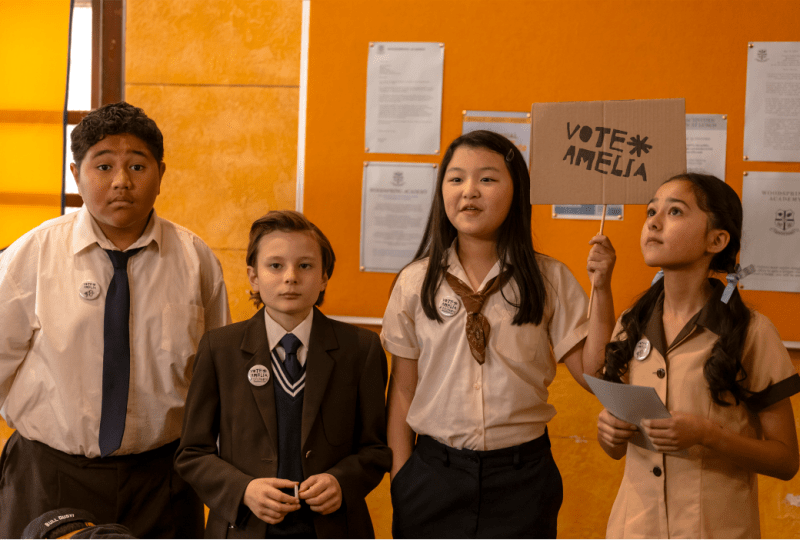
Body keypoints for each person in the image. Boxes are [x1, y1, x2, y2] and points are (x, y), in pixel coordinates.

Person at [0, 101, 231, 538]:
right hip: (49, 474)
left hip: (162, 478)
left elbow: (215, 378)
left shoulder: (195, 260)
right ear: (76, 173)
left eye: (138, 166)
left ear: (161, 173)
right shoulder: (30, 256)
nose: (121, 182)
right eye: (103, 166)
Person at [383, 130, 617, 539]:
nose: (469, 191)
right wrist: (402, 478)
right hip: (432, 476)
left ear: (516, 190)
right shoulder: (414, 282)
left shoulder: (549, 279)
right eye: (456, 179)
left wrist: (602, 288)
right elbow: (403, 389)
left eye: (487, 179)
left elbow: (594, 374)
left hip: (522, 479)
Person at [596, 173, 800, 539]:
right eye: (651, 212)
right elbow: (615, 449)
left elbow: (786, 461)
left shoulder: (752, 331)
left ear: (716, 240)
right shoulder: (632, 323)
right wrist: (609, 433)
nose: (654, 223)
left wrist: (709, 435)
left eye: (675, 212)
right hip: (635, 528)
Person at [175, 210, 392, 539]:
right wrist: (243, 489)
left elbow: (376, 449)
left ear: (324, 278)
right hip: (243, 526)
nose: (290, 277)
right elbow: (193, 453)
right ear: (253, 277)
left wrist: (342, 481)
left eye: (305, 266)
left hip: (334, 527)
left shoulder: (361, 349)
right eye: (275, 266)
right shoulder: (220, 348)